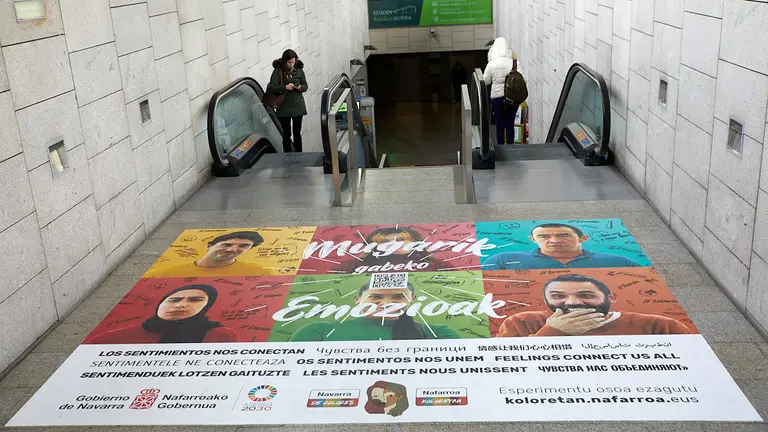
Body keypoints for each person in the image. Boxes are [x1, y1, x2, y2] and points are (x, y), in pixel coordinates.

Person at [496, 274, 692, 337]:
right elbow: (499, 367)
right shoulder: (522, 322)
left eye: (586, 295)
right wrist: (552, 332)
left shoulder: (662, 326)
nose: (572, 302)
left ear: (611, 298)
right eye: (558, 296)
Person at [288, 281, 461, 341]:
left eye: (399, 297)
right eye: (376, 297)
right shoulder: (318, 331)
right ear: (358, 300)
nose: (386, 303)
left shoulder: (439, 332)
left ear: (412, 300)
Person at [87, 285, 238, 344]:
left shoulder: (222, 336)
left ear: (207, 306)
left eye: (195, 300)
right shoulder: (107, 339)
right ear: (161, 303)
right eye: (173, 300)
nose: (181, 304)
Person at [483, 223, 641, 270]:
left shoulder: (619, 262)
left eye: (563, 235)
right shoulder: (503, 260)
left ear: (583, 238)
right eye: (543, 236)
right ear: (533, 239)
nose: (553, 240)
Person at [144, 231, 274, 277]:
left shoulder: (261, 272)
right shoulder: (161, 274)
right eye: (226, 244)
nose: (232, 249)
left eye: (243, 246)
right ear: (209, 246)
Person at [343, 227, 454, 273]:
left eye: (401, 239)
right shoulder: (352, 265)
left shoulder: (439, 265)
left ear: (415, 242)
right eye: (385, 242)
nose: (394, 244)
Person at [268, 49, 308, 153]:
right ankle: (287, 155)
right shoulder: (278, 71)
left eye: (293, 62)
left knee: (297, 133)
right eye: (289, 62)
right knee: (286, 134)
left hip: (297, 106)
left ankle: (299, 154)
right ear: (285, 61)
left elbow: (305, 86)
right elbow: (272, 87)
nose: (292, 64)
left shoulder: (299, 70)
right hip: (284, 107)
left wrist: (299, 87)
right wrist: (285, 87)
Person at [483, 37, 521, 145]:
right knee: (510, 124)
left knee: (499, 125)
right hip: (512, 98)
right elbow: (523, 79)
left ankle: (500, 149)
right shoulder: (514, 63)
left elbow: (485, 81)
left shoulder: (491, 64)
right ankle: (510, 147)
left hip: (497, 99)